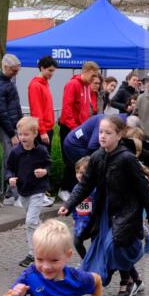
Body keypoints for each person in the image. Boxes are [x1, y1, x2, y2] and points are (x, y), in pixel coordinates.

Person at [59, 115, 149, 296]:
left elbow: (141, 188)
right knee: (103, 248)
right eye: (100, 132)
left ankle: (127, 280)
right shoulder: (97, 156)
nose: (102, 136)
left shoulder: (127, 159)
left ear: (119, 135)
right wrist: (68, 204)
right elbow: (85, 185)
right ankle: (133, 280)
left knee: (114, 245)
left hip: (126, 210)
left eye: (108, 132)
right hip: (104, 211)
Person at [7, 117, 52, 268]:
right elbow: (9, 168)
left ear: (35, 134)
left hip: (38, 190)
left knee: (30, 222)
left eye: (26, 134)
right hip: (23, 190)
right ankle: (47, 238)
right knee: (34, 222)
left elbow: (49, 164)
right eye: (20, 134)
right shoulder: (15, 152)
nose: (22, 138)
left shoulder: (41, 151)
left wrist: (44, 171)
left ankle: (33, 254)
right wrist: (10, 178)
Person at [58, 62, 100, 198]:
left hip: (80, 129)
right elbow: (67, 108)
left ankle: (74, 188)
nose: (94, 78)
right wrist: (74, 129)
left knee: (80, 160)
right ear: (86, 71)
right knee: (71, 159)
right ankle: (64, 189)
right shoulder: (73, 85)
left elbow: (86, 108)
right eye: (93, 75)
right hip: (70, 128)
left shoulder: (87, 86)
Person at [0, 53, 24, 197]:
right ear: (5, 67)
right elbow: (2, 113)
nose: (16, 73)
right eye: (14, 70)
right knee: (11, 160)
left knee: (15, 158)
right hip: (7, 128)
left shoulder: (8, 82)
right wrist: (11, 133)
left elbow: (14, 106)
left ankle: (12, 193)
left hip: (14, 126)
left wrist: (20, 124)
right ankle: (12, 194)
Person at [28, 55, 57, 148]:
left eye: (53, 71)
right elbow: (36, 110)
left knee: (45, 159)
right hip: (42, 130)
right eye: (50, 70)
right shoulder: (35, 85)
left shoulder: (45, 84)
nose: (52, 73)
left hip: (47, 128)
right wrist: (42, 131)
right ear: (42, 68)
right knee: (41, 159)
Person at [72, 156, 94, 259]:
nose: (79, 176)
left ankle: (93, 264)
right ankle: (85, 260)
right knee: (76, 242)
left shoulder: (95, 189)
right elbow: (73, 204)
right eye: (77, 173)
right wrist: (75, 218)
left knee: (95, 246)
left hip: (94, 224)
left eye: (82, 173)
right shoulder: (76, 188)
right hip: (80, 224)